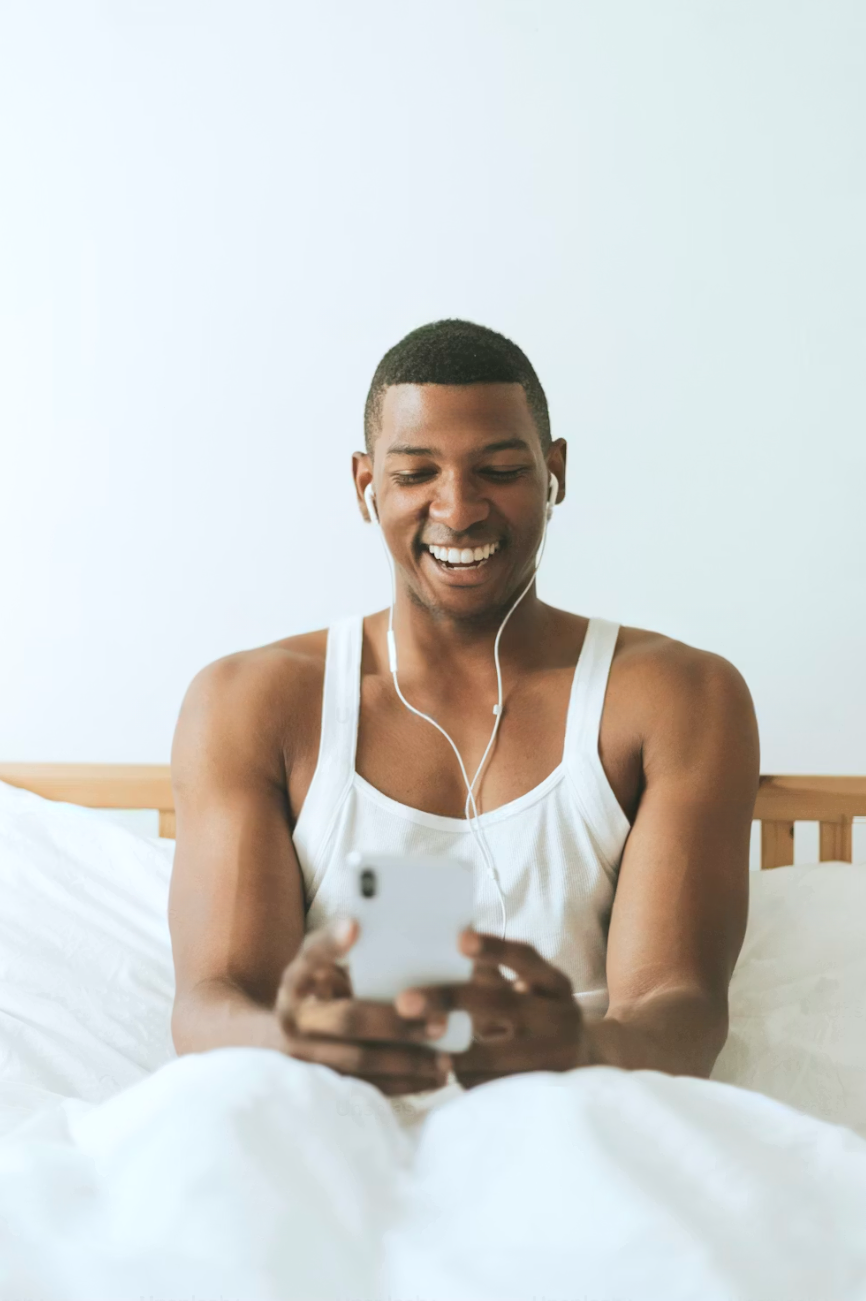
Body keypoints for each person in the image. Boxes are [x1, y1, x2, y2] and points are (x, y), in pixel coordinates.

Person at [168, 318, 760, 1098]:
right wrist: (310, 1042)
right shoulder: (251, 702)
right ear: (364, 485)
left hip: (580, 1122)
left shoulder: (676, 698)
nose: (458, 508)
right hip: (331, 1125)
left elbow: (677, 1009)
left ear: (555, 471)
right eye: (416, 473)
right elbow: (214, 1003)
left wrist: (574, 1048)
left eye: (501, 468)